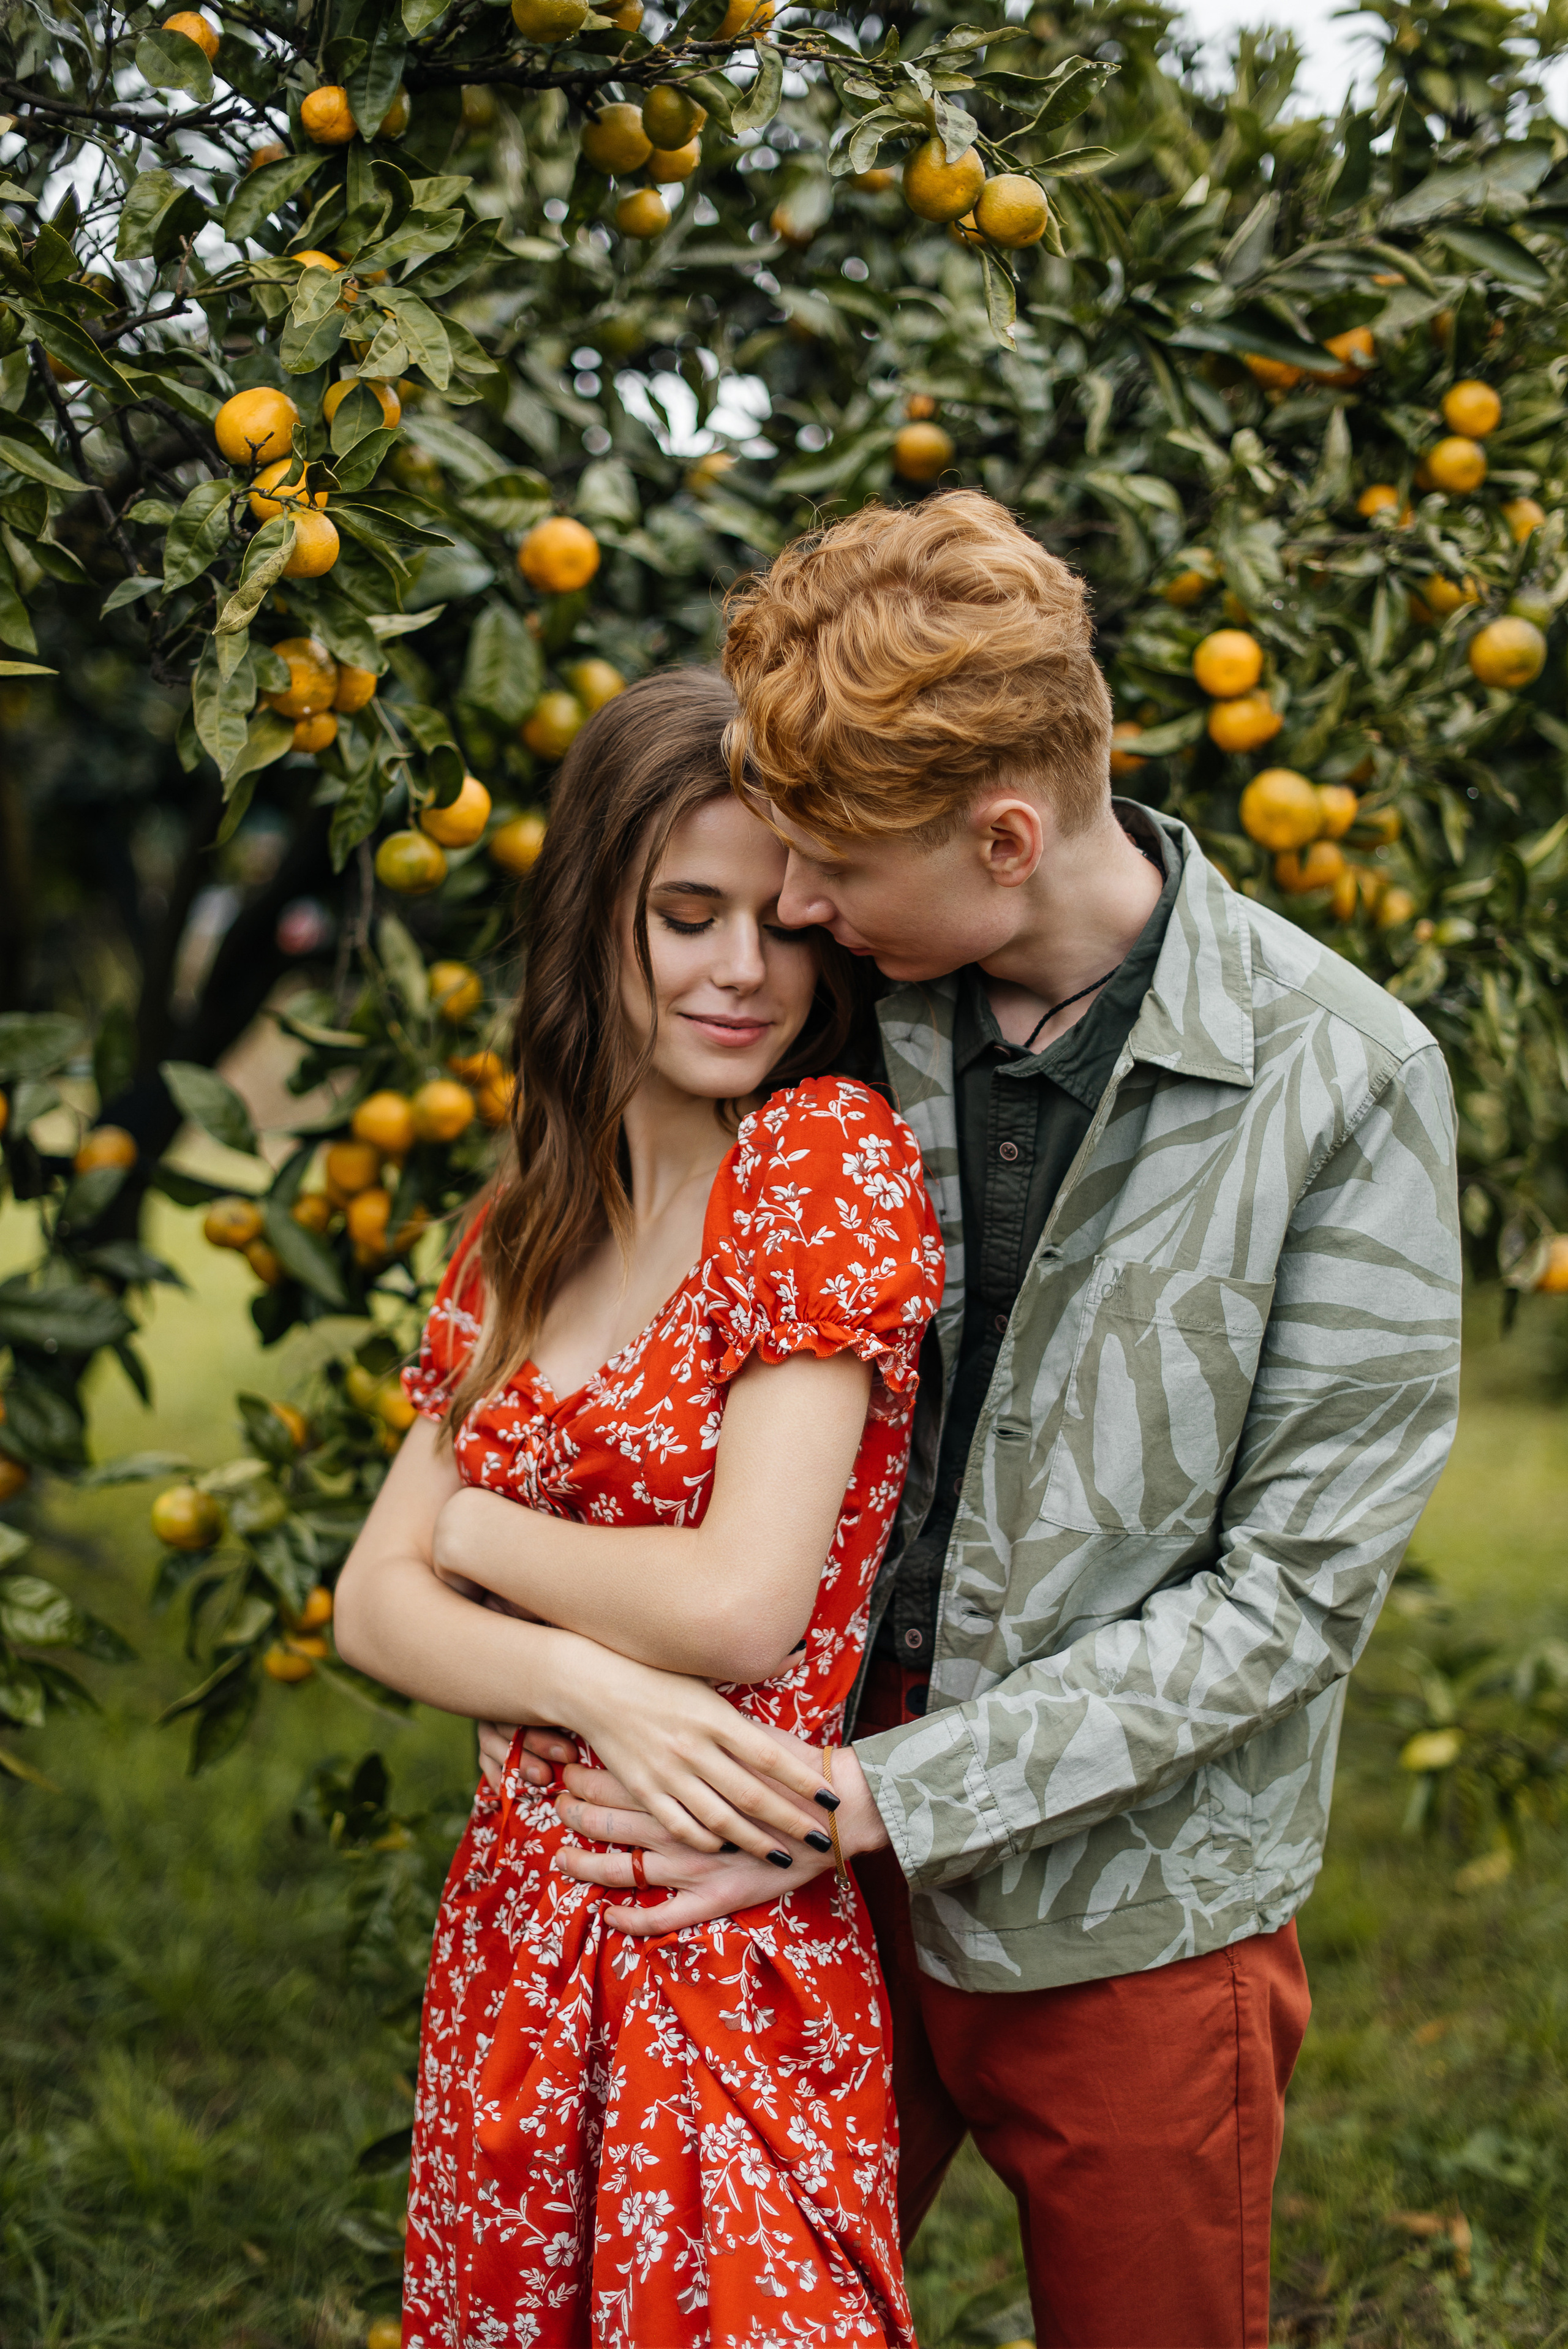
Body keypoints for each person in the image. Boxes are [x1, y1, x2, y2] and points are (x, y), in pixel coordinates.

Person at [517, 492, 1464, 2348]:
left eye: (828, 869)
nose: (788, 910)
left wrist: (865, 1803)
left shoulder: (1349, 1086)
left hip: (1136, 1923)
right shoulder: (839, 1014)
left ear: (1004, 835)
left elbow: (1288, 1598)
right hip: (782, 1882)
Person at [333, 665, 944, 2349]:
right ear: (601, 909)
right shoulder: (530, 1222)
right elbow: (362, 1610)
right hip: (519, 1925)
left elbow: (742, 1602)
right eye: (688, 913)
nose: (744, 967)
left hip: (712, 1915)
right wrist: (584, 1678)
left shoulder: (817, 1163)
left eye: (782, 920)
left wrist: (471, 1542)